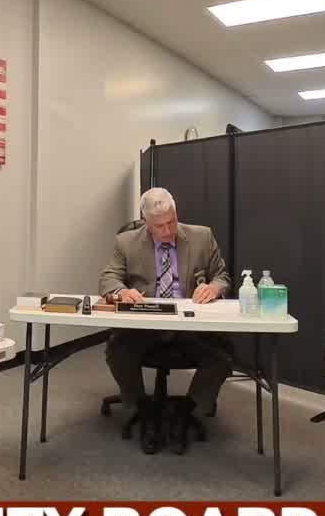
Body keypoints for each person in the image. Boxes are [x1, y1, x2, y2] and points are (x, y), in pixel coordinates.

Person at [99, 187, 231, 455]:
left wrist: (214, 288)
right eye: (159, 226)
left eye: (171, 221)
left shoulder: (202, 237)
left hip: (190, 325)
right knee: (118, 351)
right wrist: (122, 291)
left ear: (176, 212)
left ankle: (185, 410)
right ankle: (143, 408)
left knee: (222, 356)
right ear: (146, 223)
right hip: (146, 324)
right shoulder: (126, 242)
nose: (168, 230)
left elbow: (222, 276)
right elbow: (108, 279)